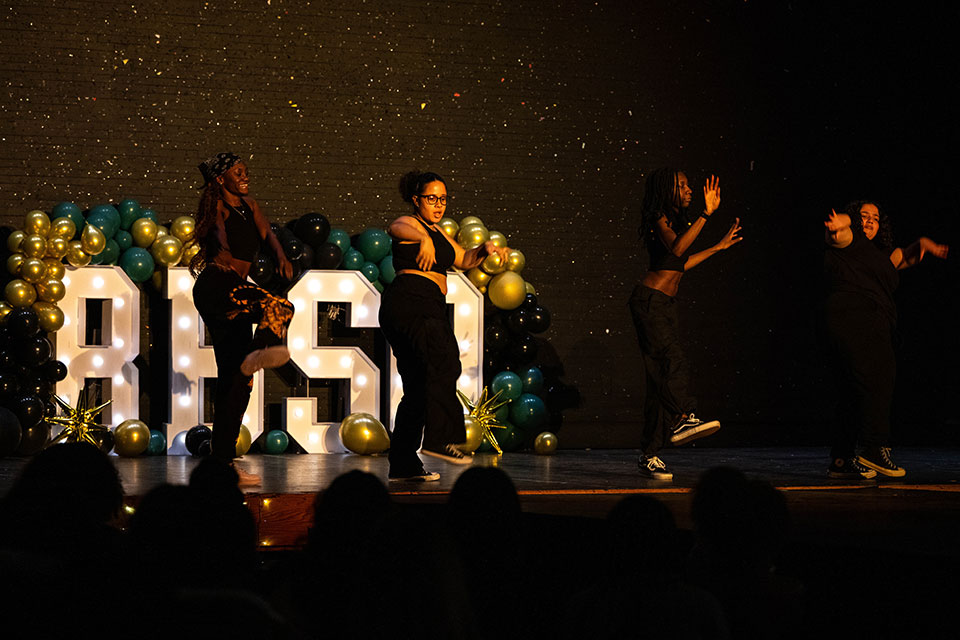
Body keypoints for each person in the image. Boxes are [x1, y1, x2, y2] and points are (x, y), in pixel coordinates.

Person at [380, 170, 510, 482]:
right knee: (445, 362)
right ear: (416, 200)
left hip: (425, 305)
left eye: (443, 199)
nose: (438, 205)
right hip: (412, 301)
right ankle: (440, 440)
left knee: (417, 388)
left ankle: (403, 464)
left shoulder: (438, 233)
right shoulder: (411, 224)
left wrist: (486, 250)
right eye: (431, 199)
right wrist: (422, 237)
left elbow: (463, 259)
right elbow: (395, 226)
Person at [189, 152, 295, 487]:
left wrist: (280, 256)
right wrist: (219, 244)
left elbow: (267, 235)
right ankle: (264, 347)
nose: (245, 175)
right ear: (221, 179)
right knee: (280, 307)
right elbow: (217, 229)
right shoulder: (216, 207)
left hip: (235, 288)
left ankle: (222, 461)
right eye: (238, 172)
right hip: (218, 288)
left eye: (246, 170)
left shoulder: (250, 205)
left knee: (237, 381)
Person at [629, 168, 742, 480]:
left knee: (658, 383)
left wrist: (717, 248)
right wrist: (706, 214)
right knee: (672, 361)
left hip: (662, 305)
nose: (690, 189)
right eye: (683, 185)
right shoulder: (657, 217)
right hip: (649, 303)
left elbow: (681, 263)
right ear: (668, 190)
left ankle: (649, 454)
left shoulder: (673, 221)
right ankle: (682, 418)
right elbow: (677, 249)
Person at [822, 201, 948, 478]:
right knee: (879, 378)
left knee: (852, 390)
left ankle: (841, 460)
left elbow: (905, 257)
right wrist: (842, 222)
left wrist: (923, 244)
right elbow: (839, 230)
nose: (869, 221)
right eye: (863, 216)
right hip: (856, 315)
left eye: (875, 218)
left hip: (859, 320)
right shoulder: (848, 240)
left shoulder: (879, 255)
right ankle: (873, 448)